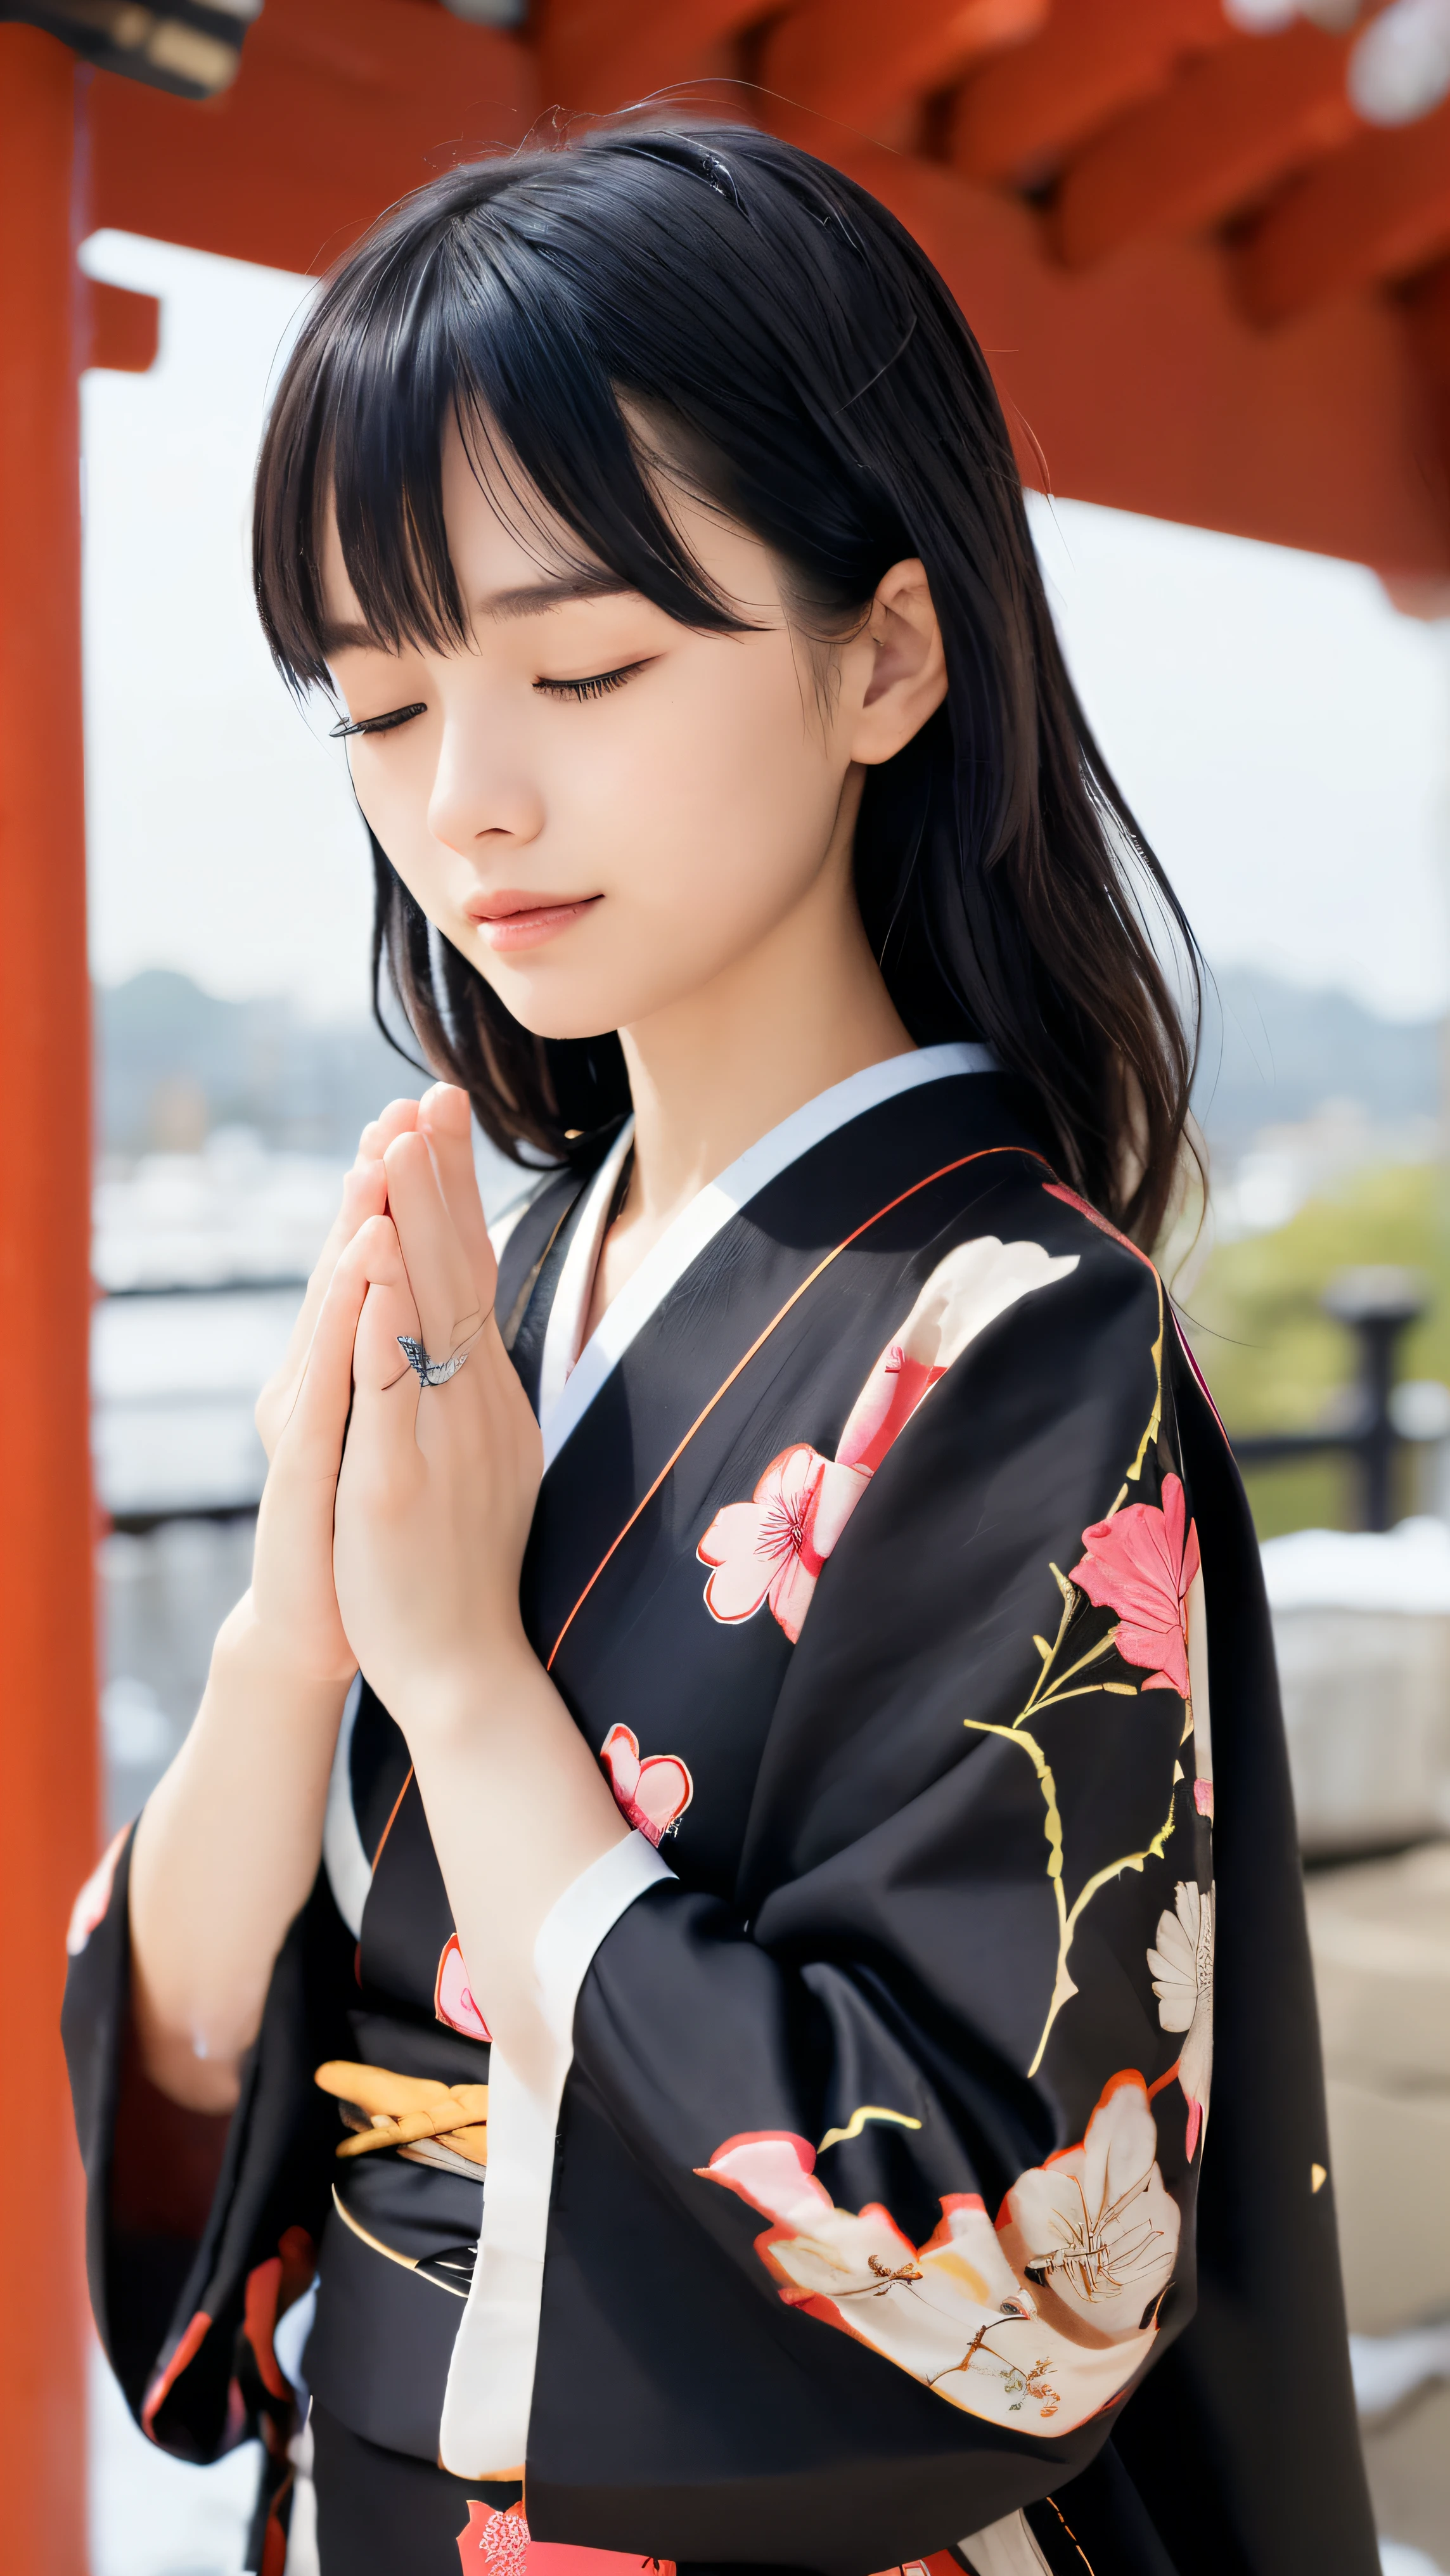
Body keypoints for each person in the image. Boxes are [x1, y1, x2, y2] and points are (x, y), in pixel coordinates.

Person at [65, 124, 1376, 2576]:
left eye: (582, 667)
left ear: (885, 656)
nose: (468, 799)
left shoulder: (1017, 1343)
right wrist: (291, 1641)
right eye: (378, 702)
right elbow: (193, 2068)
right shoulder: (497, 1288)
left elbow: (1016, 2274)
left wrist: (466, 1690)